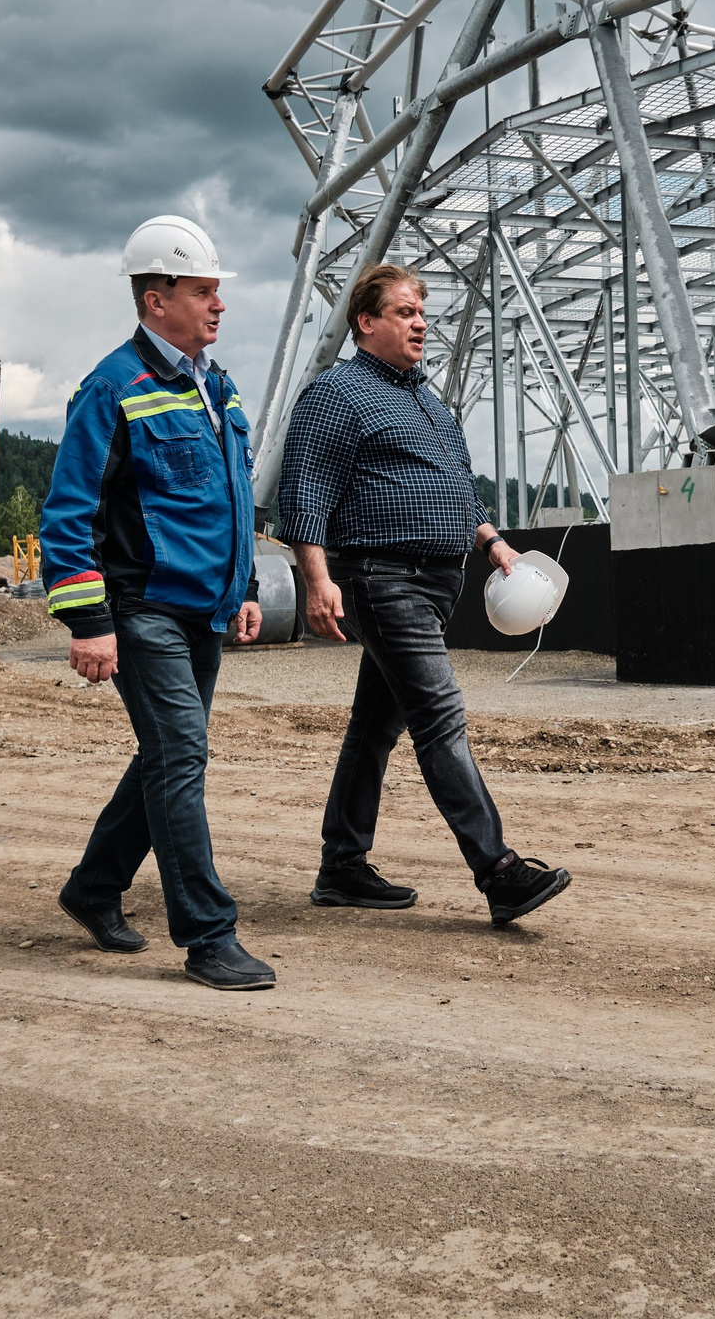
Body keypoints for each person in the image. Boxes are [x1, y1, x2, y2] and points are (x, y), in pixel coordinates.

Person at [279, 263, 572, 928]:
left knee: (375, 726)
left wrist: (494, 543)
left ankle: (341, 866)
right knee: (440, 713)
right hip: (384, 580)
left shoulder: (429, 402)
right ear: (366, 322)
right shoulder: (336, 394)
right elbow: (304, 491)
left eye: (422, 313)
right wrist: (318, 580)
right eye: (406, 312)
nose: (420, 323)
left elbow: (459, 488)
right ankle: (498, 871)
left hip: (437, 583)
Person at [40, 214, 273, 992]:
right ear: (154, 301)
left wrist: (242, 588)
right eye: (203, 291)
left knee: (165, 757)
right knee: (181, 758)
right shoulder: (112, 388)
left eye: (216, 292)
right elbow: (67, 516)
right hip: (140, 608)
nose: (219, 306)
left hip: (201, 607)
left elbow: (231, 500)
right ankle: (209, 935)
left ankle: (93, 888)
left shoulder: (217, 386)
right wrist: (89, 621)